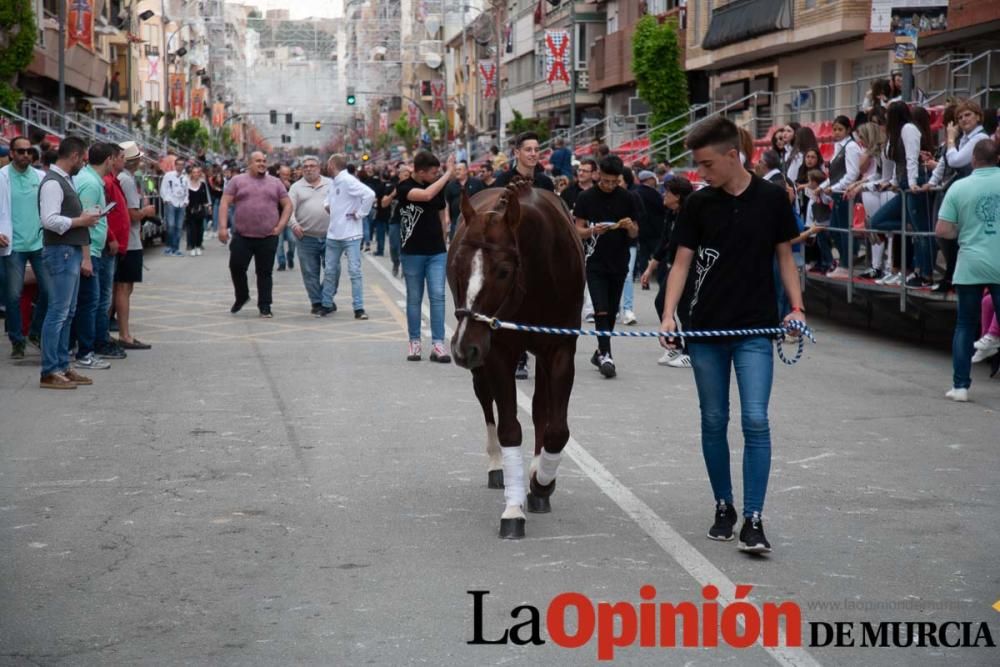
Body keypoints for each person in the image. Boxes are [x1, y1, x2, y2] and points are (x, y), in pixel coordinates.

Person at [659, 117, 805, 554]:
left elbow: (785, 258)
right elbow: (681, 264)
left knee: (756, 419)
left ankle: (754, 518)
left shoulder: (773, 199)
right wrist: (669, 315)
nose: (700, 174)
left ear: (731, 155)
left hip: (755, 328)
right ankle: (724, 505)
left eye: (706, 164)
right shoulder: (699, 205)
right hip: (705, 330)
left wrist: (796, 308)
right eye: (697, 166)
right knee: (713, 419)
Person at [935, 139, 1000, 402]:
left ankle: (960, 386)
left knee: (964, 324)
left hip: (970, 263)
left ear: (973, 160)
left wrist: (964, 231)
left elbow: (943, 230)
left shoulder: (959, 187)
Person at [38, 137, 103, 389]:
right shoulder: (53, 183)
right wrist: (80, 221)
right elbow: (49, 220)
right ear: (74, 156)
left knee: (68, 312)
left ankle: (62, 365)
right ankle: (49, 369)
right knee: (58, 312)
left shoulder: (65, 180)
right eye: (83, 158)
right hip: (60, 251)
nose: (83, 163)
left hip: (70, 249)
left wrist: (83, 219)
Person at [573, 155, 640, 379]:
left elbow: (635, 232)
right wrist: (593, 230)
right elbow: (577, 229)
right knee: (600, 308)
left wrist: (629, 227)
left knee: (611, 311)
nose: (610, 185)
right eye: (606, 180)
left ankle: (600, 351)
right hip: (595, 262)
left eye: (614, 181)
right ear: (598, 174)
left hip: (619, 261)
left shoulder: (628, 198)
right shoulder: (586, 197)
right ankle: (607, 355)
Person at [218, 151, 292, 318]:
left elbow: (287, 205)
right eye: (258, 161)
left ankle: (265, 305)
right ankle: (242, 296)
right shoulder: (237, 181)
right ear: (249, 163)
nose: (262, 163)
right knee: (236, 267)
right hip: (242, 236)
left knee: (264, 272)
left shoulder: (275, 183)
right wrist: (222, 227)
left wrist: (280, 226)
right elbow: (224, 202)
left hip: (268, 236)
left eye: (264, 161)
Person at [397, 151, 454, 363]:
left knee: (438, 296)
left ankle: (438, 344)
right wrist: (448, 174)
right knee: (414, 298)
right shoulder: (404, 187)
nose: (437, 175)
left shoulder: (436, 186)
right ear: (420, 172)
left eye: (438, 172)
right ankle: (414, 341)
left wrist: (444, 235)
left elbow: (441, 211)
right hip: (412, 251)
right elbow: (427, 195)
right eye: (433, 172)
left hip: (436, 251)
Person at [1, 136, 48, 359]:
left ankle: (34, 332)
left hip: (39, 243)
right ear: (11, 153)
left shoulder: (41, 177)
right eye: (21, 151)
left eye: (29, 151)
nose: (26, 155)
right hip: (14, 246)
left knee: (49, 291)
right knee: (12, 295)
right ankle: (17, 341)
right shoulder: (1, 177)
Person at [641, 176, 694, 368]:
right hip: (674, 268)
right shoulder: (670, 214)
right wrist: (649, 268)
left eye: (667, 192)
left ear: (678, 196)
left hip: (690, 269)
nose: (663, 195)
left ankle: (691, 351)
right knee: (661, 302)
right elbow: (664, 243)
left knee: (685, 309)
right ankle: (674, 344)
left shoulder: (689, 215)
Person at [71, 142, 114, 372]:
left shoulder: (90, 180)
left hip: (92, 249)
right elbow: (84, 223)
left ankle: (76, 348)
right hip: (88, 251)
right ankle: (85, 353)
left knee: (84, 302)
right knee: (89, 303)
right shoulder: (89, 183)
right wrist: (86, 257)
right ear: (108, 159)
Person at [320, 154, 375, 319]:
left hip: (351, 235)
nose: (326, 167)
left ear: (332, 165)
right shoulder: (334, 182)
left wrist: (360, 214)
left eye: (328, 165)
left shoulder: (347, 180)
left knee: (354, 271)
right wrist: (329, 207)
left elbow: (369, 194)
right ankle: (326, 304)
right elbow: (327, 200)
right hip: (334, 234)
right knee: (330, 271)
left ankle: (359, 308)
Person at [114, 141, 155, 350]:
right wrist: (147, 212)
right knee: (123, 287)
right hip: (129, 242)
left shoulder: (122, 178)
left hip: (126, 240)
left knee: (120, 287)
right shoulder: (126, 181)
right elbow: (132, 214)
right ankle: (124, 334)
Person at [96, 143, 130, 360]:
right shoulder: (104, 183)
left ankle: (101, 337)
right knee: (102, 298)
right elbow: (100, 214)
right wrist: (112, 238)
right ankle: (99, 340)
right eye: (121, 157)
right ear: (111, 159)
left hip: (113, 245)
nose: (124, 161)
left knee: (103, 296)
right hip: (107, 246)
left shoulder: (112, 181)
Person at [287, 156, 331, 315]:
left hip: (330, 237)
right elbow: (288, 210)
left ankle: (327, 298)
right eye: (305, 166)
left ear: (319, 168)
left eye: (312, 166)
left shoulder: (330, 184)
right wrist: (294, 225)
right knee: (310, 272)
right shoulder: (296, 187)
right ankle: (317, 302)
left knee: (333, 270)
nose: (308, 169)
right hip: (306, 237)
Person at [444, 161, 485, 239]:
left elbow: (482, 198)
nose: (457, 171)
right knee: (455, 242)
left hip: (474, 219)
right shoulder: (450, 185)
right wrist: (447, 217)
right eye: (456, 170)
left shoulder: (477, 182)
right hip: (455, 220)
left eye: (459, 169)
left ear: (466, 171)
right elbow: (447, 202)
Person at [159, 156, 188, 257]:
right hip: (171, 203)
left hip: (181, 204)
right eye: (178, 164)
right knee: (170, 225)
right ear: (175, 165)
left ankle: (176, 248)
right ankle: (169, 247)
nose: (180, 166)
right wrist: (166, 199)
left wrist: (186, 201)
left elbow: (186, 191)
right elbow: (163, 188)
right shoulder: (168, 175)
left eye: (182, 165)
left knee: (179, 227)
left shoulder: (185, 178)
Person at [273, 164, 296, 270]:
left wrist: (289, 188)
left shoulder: (294, 185)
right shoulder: (274, 184)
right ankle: (281, 263)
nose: (285, 176)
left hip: (290, 218)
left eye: (287, 174)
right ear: (279, 174)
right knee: (279, 243)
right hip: (277, 218)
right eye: (283, 174)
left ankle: (290, 256)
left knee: (292, 240)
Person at [185, 164, 211, 256]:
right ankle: (192, 247)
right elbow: (185, 196)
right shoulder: (187, 184)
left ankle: (198, 245)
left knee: (200, 229)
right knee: (192, 229)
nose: (195, 174)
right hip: (190, 210)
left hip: (200, 210)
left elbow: (205, 198)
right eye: (194, 172)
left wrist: (208, 206)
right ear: (191, 174)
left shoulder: (202, 184)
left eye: (197, 172)